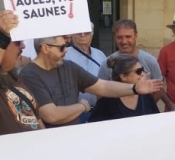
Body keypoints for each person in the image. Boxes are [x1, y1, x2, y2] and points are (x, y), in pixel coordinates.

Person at [21, 35, 161, 128]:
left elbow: (103, 86)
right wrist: (82, 106)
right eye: (62, 47)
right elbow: (51, 115)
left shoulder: (69, 67)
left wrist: (135, 89)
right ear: (45, 48)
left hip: (75, 139)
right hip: (50, 142)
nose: (66, 51)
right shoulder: (30, 74)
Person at [89, 55, 161, 123]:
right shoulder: (107, 101)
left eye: (142, 70)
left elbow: (156, 121)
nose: (142, 74)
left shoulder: (146, 96)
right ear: (123, 77)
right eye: (138, 71)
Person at [66, 25, 108, 116]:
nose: (82, 35)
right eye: (78, 33)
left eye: (86, 33)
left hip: (99, 110)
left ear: (92, 35)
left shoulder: (100, 54)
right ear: (72, 35)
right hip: (74, 112)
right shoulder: (65, 54)